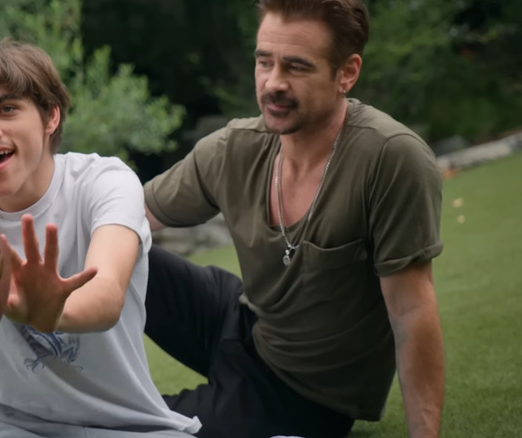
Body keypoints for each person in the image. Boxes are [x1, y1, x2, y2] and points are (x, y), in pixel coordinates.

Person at [142, 1, 445, 438]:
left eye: (297, 67)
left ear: (347, 72)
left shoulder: (391, 159)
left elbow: (412, 310)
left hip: (300, 396)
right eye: (264, 62)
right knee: (120, 246)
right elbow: (131, 213)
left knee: (129, 425)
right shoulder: (236, 147)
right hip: (241, 318)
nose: (273, 83)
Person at [0, 39, 201, 438]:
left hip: (130, 427)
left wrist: (50, 310)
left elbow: (106, 295)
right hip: (9, 425)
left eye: (7, 109)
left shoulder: (104, 183)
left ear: (50, 116)